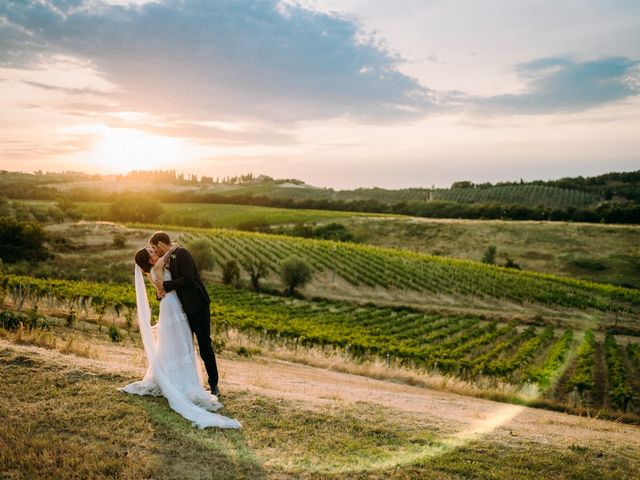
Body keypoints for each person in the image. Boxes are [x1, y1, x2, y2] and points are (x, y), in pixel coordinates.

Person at [119, 243, 240, 429]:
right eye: (151, 252)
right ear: (148, 260)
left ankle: (185, 379)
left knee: (178, 344)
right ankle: (179, 381)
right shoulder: (156, 268)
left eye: (154, 249)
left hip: (175, 306)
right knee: (179, 343)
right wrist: (172, 249)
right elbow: (163, 265)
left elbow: (177, 280)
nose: (154, 252)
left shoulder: (157, 268)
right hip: (172, 308)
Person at [148, 231, 222, 398]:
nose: (154, 250)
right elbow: (163, 282)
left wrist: (165, 285)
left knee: (204, 345)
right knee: (185, 348)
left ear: (161, 244)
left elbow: (188, 279)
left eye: (154, 247)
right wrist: (161, 291)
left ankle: (214, 384)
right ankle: (187, 383)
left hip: (198, 307)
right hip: (182, 312)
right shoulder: (167, 259)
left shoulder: (183, 254)